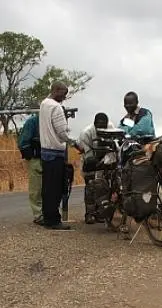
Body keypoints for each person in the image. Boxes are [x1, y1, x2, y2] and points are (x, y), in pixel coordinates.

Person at [39, 81, 75, 230]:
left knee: (47, 187)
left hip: (45, 151)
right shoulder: (56, 107)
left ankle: (46, 216)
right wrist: (74, 142)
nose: (64, 97)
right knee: (56, 188)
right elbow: (62, 132)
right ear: (56, 90)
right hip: (55, 152)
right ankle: (53, 220)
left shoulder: (44, 104)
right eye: (63, 93)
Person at [77, 112, 115, 224]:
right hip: (90, 161)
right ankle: (89, 214)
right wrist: (98, 166)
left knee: (105, 187)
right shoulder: (86, 133)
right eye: (99, 125)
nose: (102, 128)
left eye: (104, 125)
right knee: (91, 186)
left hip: (106, 159)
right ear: (94, 124)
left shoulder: (111, 128)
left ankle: (101, 212)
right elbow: (88, 155)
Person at [17, 113, 42, 225]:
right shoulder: (33, 122)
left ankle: (48, 213)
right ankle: (38, 215)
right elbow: (23, 142)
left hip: (51, 158)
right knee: (36, 188)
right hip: (36, 159)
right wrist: (30, 156)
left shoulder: (52, 121)